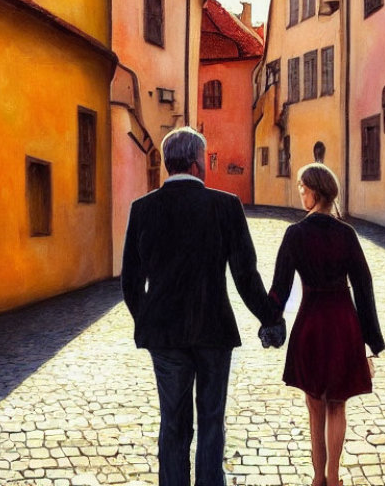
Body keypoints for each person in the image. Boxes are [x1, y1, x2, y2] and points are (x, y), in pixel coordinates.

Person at [121, 126, 283, 486]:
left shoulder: (143, 209)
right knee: (211, 421)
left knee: (173, 423)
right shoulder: (226, 206)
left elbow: (130, 282)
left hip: (164, 335)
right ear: (197, 164)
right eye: (205, 160)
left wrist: (147, 319)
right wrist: (270, 316)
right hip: (213, 330)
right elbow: (245, 275)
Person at [266, 163, 385, 486]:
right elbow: (364, 286)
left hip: (312, 324)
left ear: (315, 191)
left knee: (315, 407)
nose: (300, 193)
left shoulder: (296, 234)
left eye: (303, 188)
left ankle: (318, 477)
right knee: (338, 405)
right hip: (344, 323)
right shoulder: (346, 234)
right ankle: (334, 476)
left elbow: (280, 287)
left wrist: (269, 319)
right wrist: (372, 340)